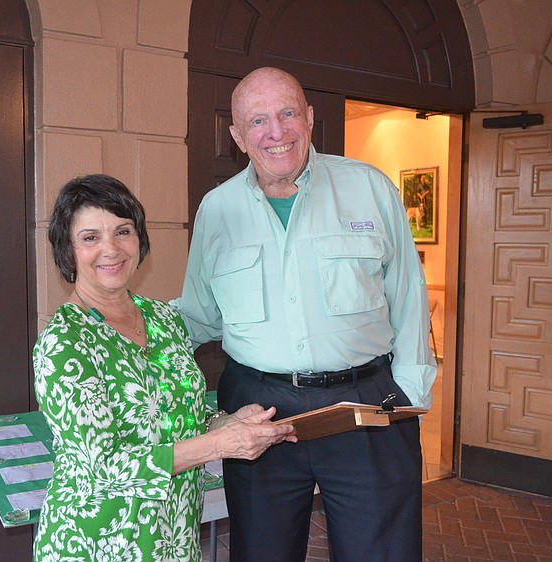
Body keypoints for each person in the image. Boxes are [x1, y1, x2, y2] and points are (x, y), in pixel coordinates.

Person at [173, 67, 438, 561]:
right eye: (258, 121)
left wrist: (409, 391)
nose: (276, 132)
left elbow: (408, 295)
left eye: (287, 113)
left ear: (310, 118)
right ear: (237, 136)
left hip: (368, 406)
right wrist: (117, 323)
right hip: (259, 410)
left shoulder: (369, 188)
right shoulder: (217, 209)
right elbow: (200, 315)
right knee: (262, 553)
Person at [32, 174, 296, 562]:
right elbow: (104, 467)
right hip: (98, 540)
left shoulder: (163, 318)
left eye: (123, 231)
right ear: (68, 251)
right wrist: (220, 446)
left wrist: (228, 423)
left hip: (173, 535)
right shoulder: (64, 342)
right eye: (90, 237)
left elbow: (174, 414)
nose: (111, 249)